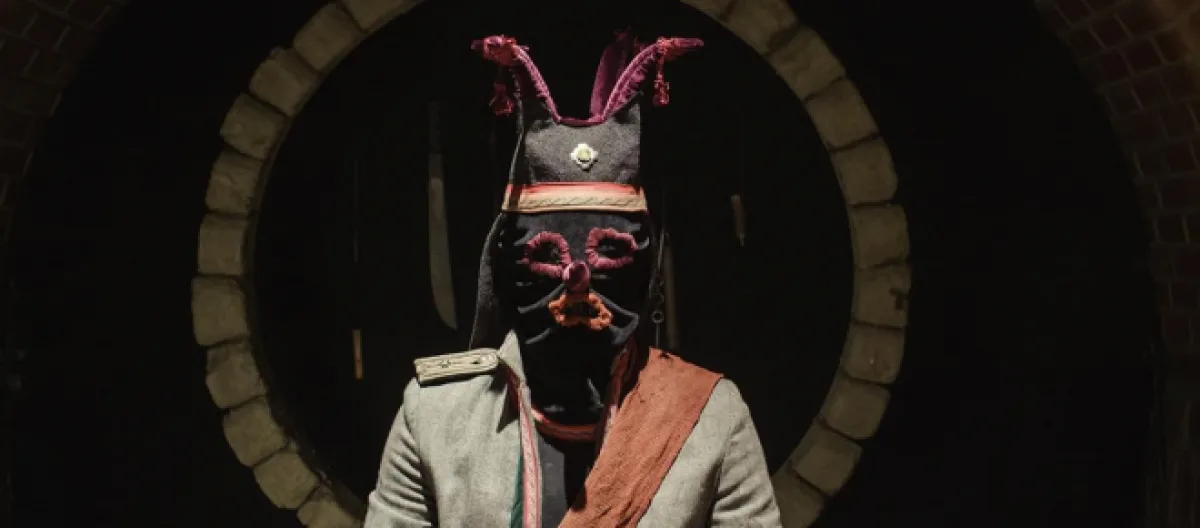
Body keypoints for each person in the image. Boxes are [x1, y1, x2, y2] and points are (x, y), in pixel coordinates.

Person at [364, 31, 781, 527]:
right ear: (508, 266)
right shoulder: (436, 415)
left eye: (609, 252)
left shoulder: (710, 417)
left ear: (644, 268)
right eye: (548, 253)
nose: (578, 279)